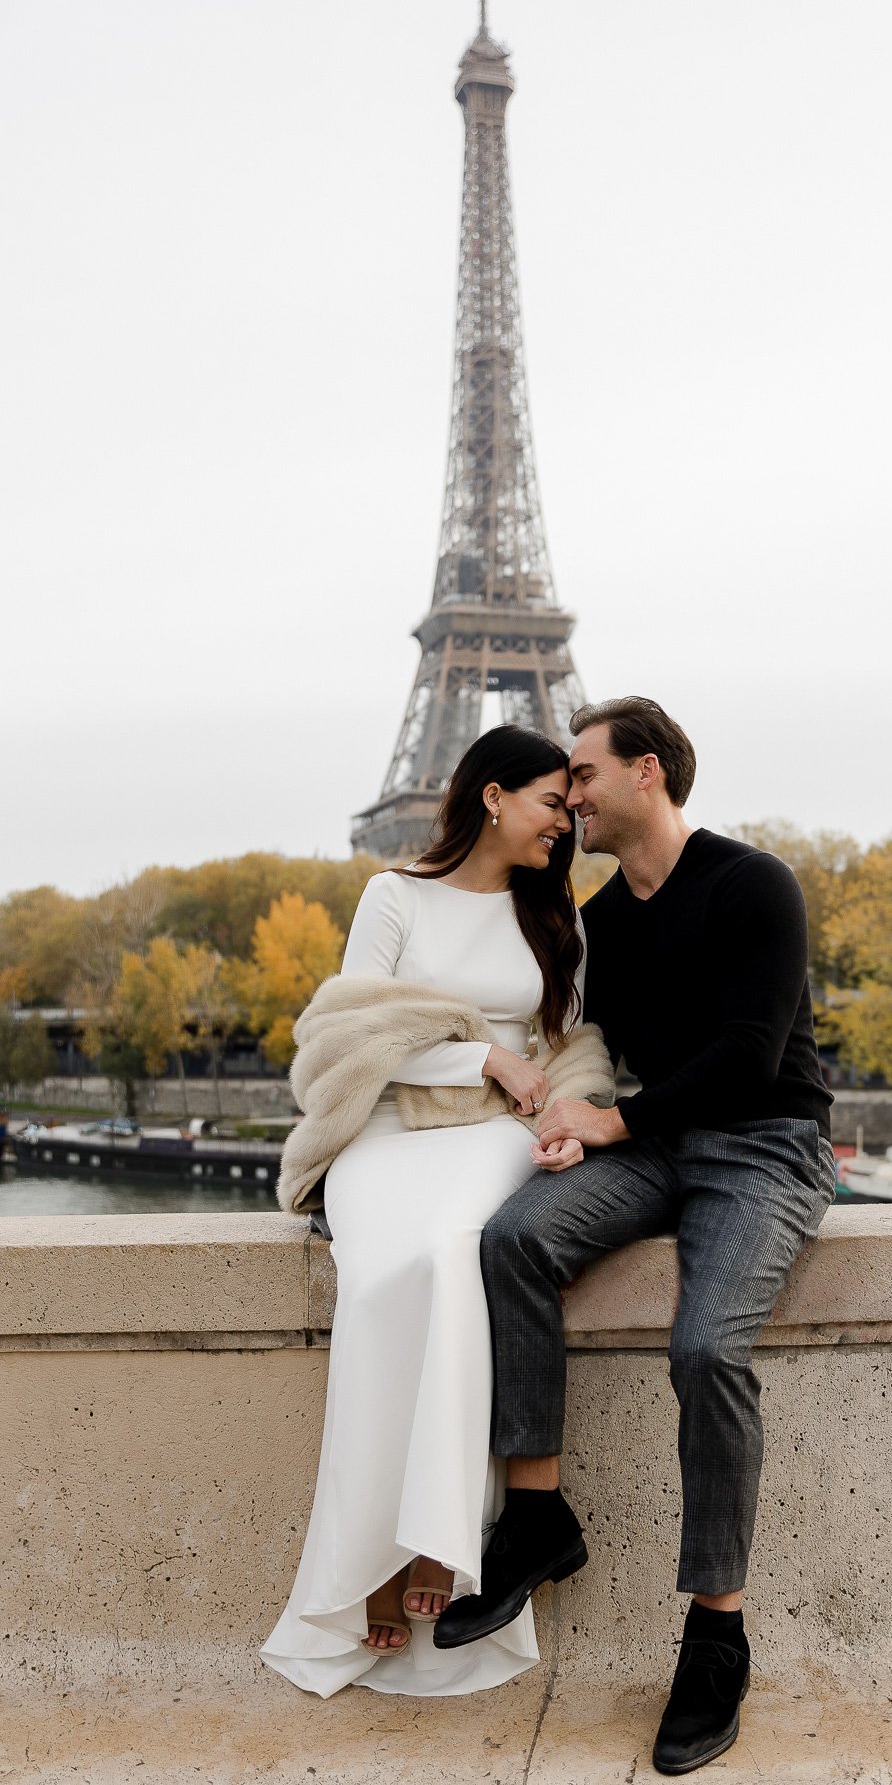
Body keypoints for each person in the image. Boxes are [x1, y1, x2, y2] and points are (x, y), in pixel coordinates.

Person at [433, 697, 837, 1775]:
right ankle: (536, 1518)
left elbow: (753, 1055)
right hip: (657, 1143)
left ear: (646, 773)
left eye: (584, 772)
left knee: (706, 1349)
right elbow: (593, 1050)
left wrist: (610, 1121)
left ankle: (717, 1634)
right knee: (514, 1239)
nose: (570, 795)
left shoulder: (755, 884)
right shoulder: (604, 918)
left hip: (763, 1146)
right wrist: (570, 1119)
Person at [261, 725, 607, 1699]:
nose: (566, 819)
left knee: (456, 1259)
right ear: (492, 797)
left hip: (494, 1135)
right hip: (388, 1130)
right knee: (381, 1275)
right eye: (552, 801)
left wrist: (564, 1111)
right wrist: (479, 1053)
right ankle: (368, 1548)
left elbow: (570, 1044)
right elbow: (349, 1033)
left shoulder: (556, 917)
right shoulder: (393, 895)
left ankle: (436, 1543)